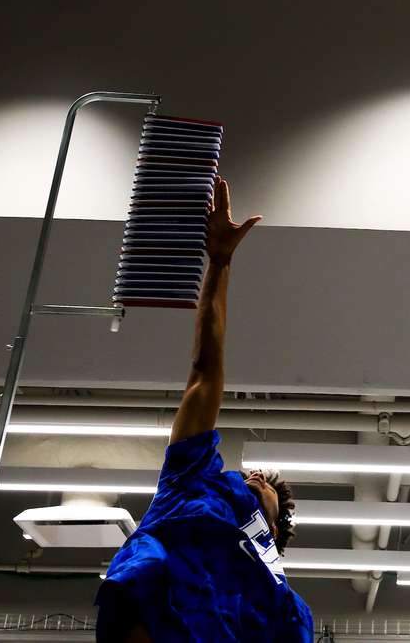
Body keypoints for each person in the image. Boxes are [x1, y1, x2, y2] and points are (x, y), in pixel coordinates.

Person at [95, 178, 312, 643]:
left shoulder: (283, 602)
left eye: (262, 491)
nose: (250, 479)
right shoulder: (191, 479)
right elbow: (204, 371)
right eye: (247, 476)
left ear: (272, 530)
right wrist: (220, 262)